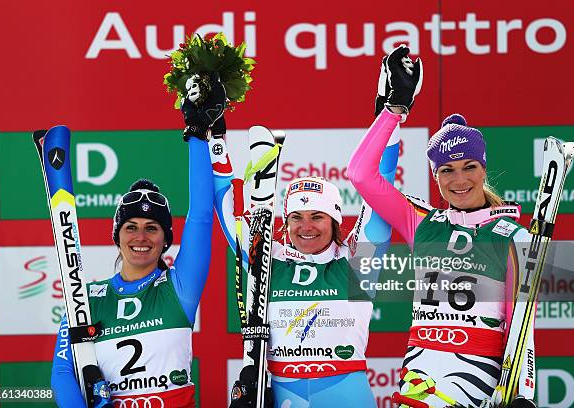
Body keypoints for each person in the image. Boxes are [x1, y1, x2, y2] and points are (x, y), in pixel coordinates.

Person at [347, 45, 537, 407]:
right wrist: (394, 109)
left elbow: (523, 325)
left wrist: (524, 394)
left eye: (469, 167)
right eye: (446, 170)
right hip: (418, 379)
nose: (459, 179)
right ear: (435, 177)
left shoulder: (514, 237)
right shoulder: (423, 223)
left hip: (476, 382)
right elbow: (360, 174)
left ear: (483, 168)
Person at [50, 75, 224, 407]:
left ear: (165, 240)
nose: (140, 237)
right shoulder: (85, 298)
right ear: (117, 237)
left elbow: (201, 214)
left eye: (152, 228)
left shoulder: (179, 289)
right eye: (130, 227)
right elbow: (61, 373)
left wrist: (198, 134)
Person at [209, 129, 402, 407]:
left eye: (317, 216)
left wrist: (391, 119)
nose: (306, 226)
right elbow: (225, 205)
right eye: (296, 217)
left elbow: (381, 185)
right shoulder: (266, 259)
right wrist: (215, 138)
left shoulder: (357, 261)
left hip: (347, 396)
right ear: (286, 223)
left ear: (335, 220)